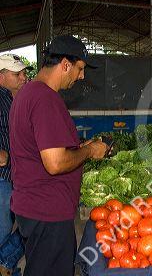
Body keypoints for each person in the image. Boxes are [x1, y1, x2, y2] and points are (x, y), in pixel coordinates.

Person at [9, 35, 109, 276]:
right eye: (80, 68)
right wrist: (89, 150)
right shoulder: (45, 99)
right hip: (48, 212)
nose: (81, 76)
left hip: (34, 206)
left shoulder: (27, 93)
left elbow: (40, 149)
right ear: (65, 64)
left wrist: (77, 147)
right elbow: (54, 163)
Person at [0, 54, 32, 276]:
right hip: (2, 177)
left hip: (17, 175)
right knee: (3, 229)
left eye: (23, 73)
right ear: (1, 77)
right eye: (16, 74)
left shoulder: (17, 98)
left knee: (30, 224)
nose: (23, 77)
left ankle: (5, 262)